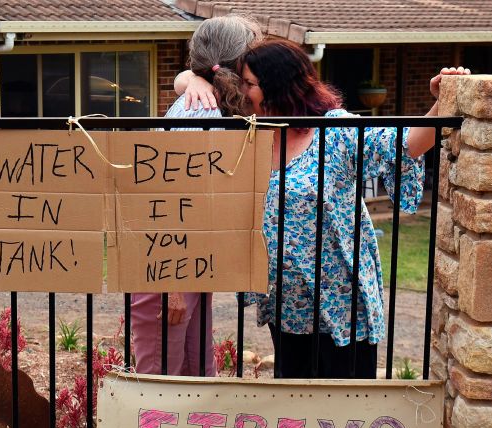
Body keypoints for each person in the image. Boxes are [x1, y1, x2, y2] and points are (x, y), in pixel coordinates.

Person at [176, 39, 469, 378]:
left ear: (279, 87)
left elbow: (409, 143)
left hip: (340, 300)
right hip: (286, 304)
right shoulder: (253, 129)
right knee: (296, 406)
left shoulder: (335, 130)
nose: (242, 91)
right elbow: (185, 80)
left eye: (250, 84)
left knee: (345, 403)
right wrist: (195, 79)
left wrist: (440, 101)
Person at [130, 15, 262, 377]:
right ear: (238, 61)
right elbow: (164, 198)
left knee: (194, 377)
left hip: (189, 264)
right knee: (161, 384)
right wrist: (169, 285)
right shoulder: (198, 111)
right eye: (253, 53)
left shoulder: (212, 103)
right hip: (168, 267)